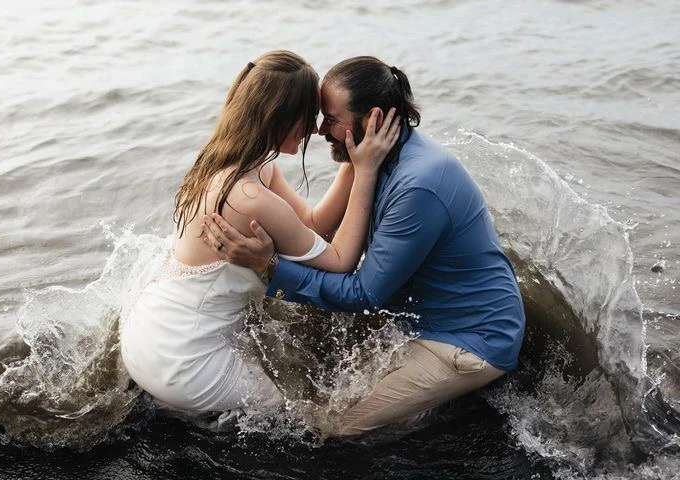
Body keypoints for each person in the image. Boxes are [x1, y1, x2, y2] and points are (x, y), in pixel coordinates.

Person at [201, 56, 526, 436]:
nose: (320, 130)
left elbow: (364, 293)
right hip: (419, 312)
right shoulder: (371, 159)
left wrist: (269, 267)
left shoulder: (418, 184)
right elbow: (319, 232)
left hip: (470, 338)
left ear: (371, 120)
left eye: (331, 119)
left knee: (336, 427)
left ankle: (450, 410)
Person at [119, 51, 400, 420]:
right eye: (309, 116)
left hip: (148, 334)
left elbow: (312, 225)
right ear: (280, 117)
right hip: (182, 362)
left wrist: (351, 158)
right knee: (294, 420)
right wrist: (367, 172)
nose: (315, 129)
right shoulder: (251, 198)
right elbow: (340, 261)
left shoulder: (231, 167)